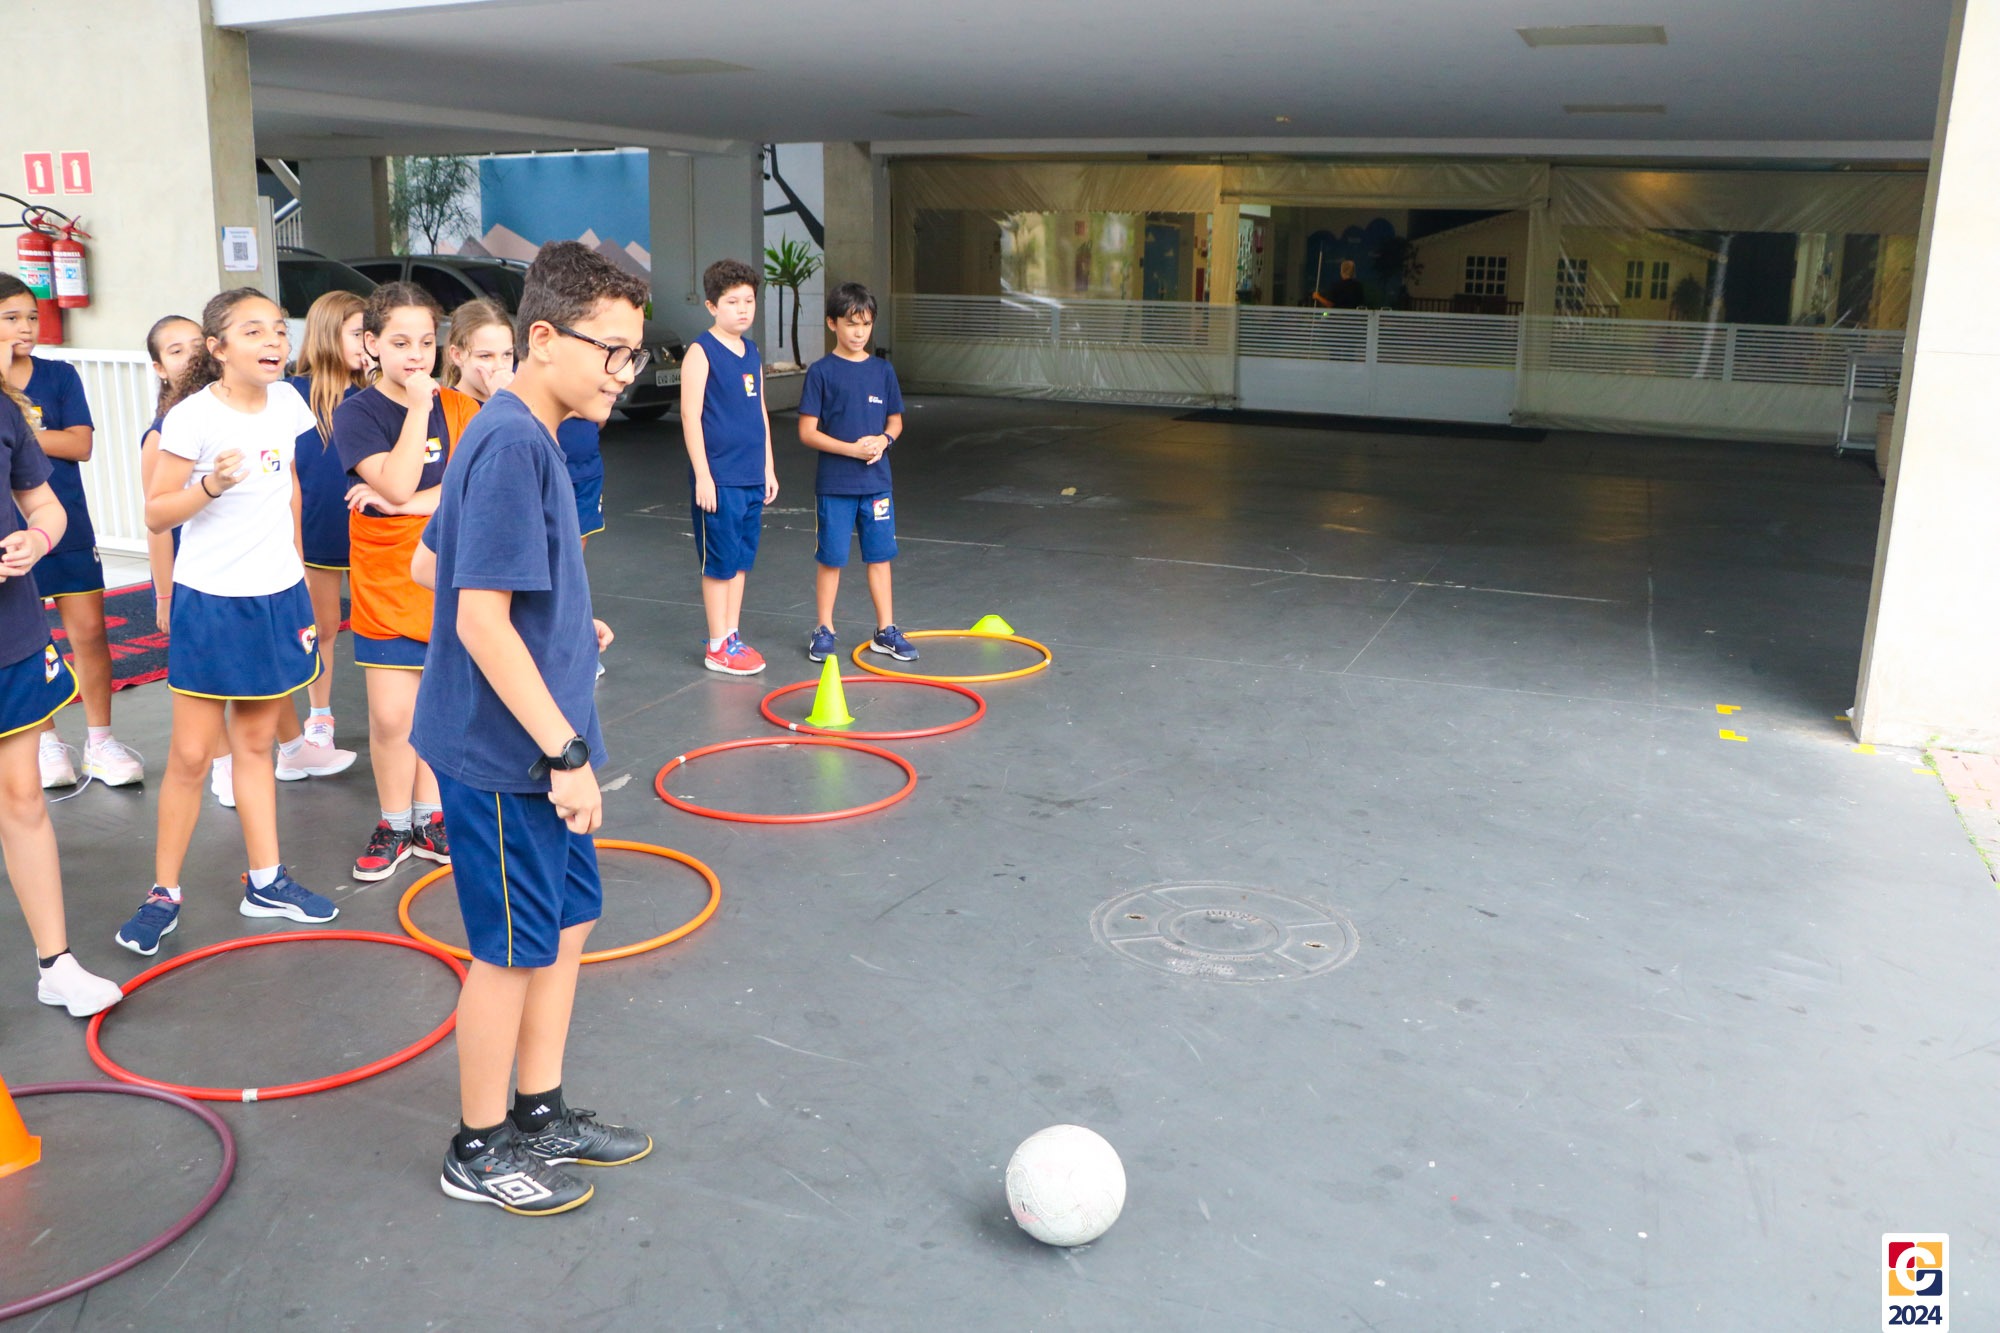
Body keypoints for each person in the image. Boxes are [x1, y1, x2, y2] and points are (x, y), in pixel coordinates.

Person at [411, 239, 650, 1214]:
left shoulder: (518, 431)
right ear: (543, 338)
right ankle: (476, 1146)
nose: (624, 372)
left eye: (634, 353)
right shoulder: (512, 442)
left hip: (542, 739)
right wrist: (563, 751)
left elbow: (435, 563)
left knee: (568, 919)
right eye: (611, 350)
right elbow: (477, 618)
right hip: (514, 756)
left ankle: (539, 1111)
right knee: (511, 948)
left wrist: (558, 618)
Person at [116, 288, 340, 955]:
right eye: (254, 331)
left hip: (278, 596)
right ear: (217, 348)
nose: (274, 341)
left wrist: (297, 568)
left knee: (255, 744)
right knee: (191, 756)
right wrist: (210, 486)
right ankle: (163, 892)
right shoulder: (190, 418)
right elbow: (157, 512)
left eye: (279, 329)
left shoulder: (289, 402)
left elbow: (289, 487)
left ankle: (266, 880)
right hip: (212, 601)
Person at [0, 337, 124, 1015]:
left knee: (22, 798)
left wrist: (36, 539)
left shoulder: (6, 411)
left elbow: (46, 505)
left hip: (12, 635)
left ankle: (57, 964)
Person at [333, 283, 460, 883]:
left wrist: (404, 506)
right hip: (385, 584)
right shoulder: (356, 413)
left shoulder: (458, 406)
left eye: (427, 343)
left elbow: (461, 488)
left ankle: (429, 816)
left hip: (443, 575)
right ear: (372, 343)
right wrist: (415, 407)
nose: (416, 355)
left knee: (435, 706)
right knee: (390, 717)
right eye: (402, 342)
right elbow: (399, 478)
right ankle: (394, 822)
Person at [0, 275, 144, 790]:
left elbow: (80, 444)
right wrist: (38, 435)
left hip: (66, 524)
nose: (26, 327)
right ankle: (46, 742)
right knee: (29, 641)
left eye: (31, 317)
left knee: (89, 632)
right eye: (11, 318)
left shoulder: (59, 376)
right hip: (11, 538)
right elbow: (58, 441)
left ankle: (100, 741)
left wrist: (19, 434)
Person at [798, 283, 916, 664]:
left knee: (880, 556)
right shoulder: (821, 372)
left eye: (866, 324)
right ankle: (824, 628)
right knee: (831, 558)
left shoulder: (883, 371)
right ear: (832, 323)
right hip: (835, 485)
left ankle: (886, 630)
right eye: (851, 323)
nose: (859, 332)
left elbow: (896, 421)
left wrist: (884, 440)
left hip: (877, 483)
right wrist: (851, 449)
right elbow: (807, 432)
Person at [283, 290, 370, 775]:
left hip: (373, 529)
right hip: (316, 530)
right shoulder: (291, 394)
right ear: (327, 334)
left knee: (387, 623)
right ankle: (319, 718)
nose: (366, 342)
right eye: (357, 333)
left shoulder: (377, 392)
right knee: (323, 627)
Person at [679, 258, 776, 675]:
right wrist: (703, 475)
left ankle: (732, 634)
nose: (742, 309)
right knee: (719, 562)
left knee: (740, 560)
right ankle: (717, 643)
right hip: (719, 479)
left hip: (751, 475)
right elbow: (689, 416)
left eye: (748, 300)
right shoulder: (701, 352)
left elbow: (761, 413)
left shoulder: (751, 351)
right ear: (711, 306)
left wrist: (768, 467)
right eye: (732, 301)